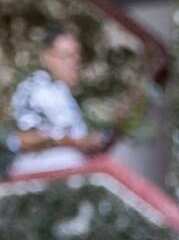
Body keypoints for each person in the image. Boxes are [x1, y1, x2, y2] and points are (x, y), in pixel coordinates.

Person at [9, 28, 109, 177]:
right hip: (41, 178)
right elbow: (20, 139)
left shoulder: (61, 91)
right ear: (46, 57)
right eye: (66, 57)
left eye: (77, 58)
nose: (74, 63)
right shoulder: (33, 89)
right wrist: (72, 142)